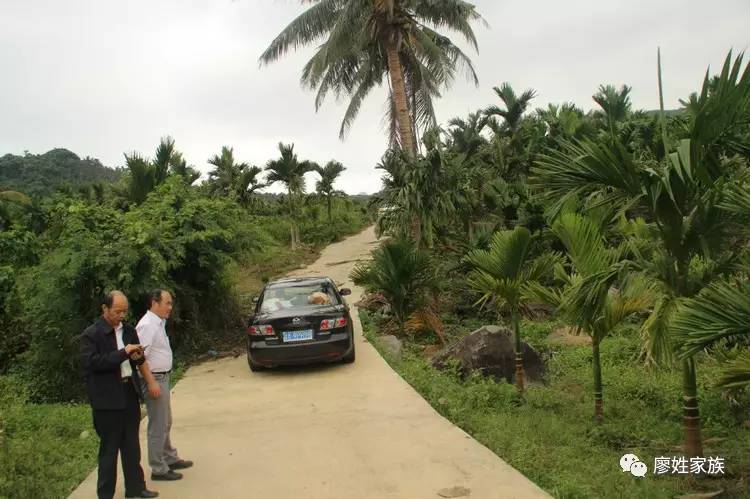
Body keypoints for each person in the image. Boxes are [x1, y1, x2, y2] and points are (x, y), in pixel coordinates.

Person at [80, 290, 158, 499]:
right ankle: (105, 494)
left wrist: (137, 356)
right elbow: (93, 363)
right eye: (117, 311)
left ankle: (136, 488)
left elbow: (136, 360)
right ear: (105, 309)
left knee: (132, 446)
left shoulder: (129, 330)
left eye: (124, 311)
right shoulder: (92, 334)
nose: (121, 315)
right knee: (109, 450)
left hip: (128, 393)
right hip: (106, 400)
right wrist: (123, 352)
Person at [136, 289, 193, 481]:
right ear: (154, 302)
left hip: (163, 377)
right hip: (154, 379)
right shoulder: (147, 325)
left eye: (171, 303)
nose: (170, 307)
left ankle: (169, 457)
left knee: (166, 421)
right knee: (158, 425)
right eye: (167, 303)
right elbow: (139, 358)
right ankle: (158, 468)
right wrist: (151, 381)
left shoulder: (158, 323)